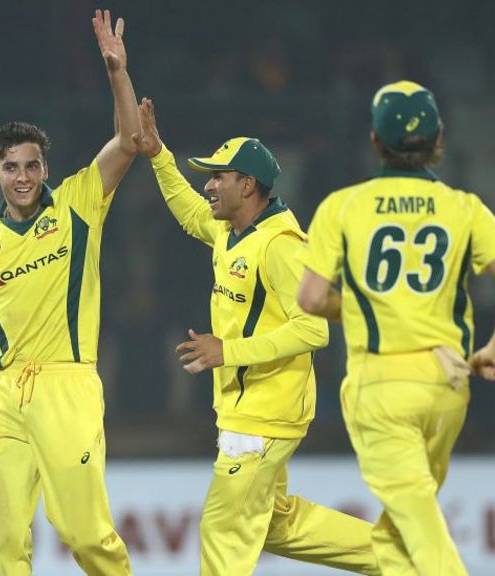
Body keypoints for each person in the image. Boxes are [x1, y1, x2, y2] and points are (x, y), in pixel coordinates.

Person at [132, 98, 379, 576]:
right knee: (275, 524)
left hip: (266, 413)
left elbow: (314, 329)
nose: (208, 185)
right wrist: (159, 155)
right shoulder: (231, 230)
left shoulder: (281, 246)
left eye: (218, 176)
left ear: (247, 185)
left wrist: (228, 351)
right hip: (246, 408)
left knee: (223, 530)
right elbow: (189, 212)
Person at [0, 9, 138, 576]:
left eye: (31, 165)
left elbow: (129, 140)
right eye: (11, 167)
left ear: (46, 168)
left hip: (66, 384)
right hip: (2, 393)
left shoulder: (77, 204)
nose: (22, 176)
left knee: (82, 532)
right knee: (1, 536)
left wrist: (116, 71)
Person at [298, 80, 495, 576]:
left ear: (375, 140)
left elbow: (310, 298)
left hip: (380, 386)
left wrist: (361, 310)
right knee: (400, 531)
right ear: (439, 137)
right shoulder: (464, 206)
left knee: (419, 527)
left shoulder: (343, 206)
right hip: (447, 383)